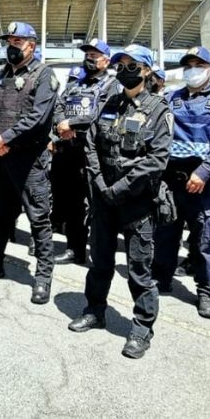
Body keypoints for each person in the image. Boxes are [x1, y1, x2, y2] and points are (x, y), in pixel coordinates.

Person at [68, 44, 172, 359]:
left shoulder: (158, 109)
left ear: (146, 71)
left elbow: (157, 160)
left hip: (136, 202)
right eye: (120, 63)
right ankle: (94, 310)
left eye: (131, 64)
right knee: (100, 262)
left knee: (139, 269)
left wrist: (121, 188)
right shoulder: (109, 102)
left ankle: (141, 329)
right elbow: (90, 145)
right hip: (103, 199)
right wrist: (100, 185)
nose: (123, 68)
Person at [0, 21, 59, 305]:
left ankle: (43, 278)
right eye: (8, 41)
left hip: (28, 160)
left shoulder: (44, 75)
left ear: (31, 46)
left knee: (38, 219)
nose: (11, 47)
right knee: (0, 214)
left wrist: (4, 138)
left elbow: (39, 117)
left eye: (17, 42)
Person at [151, 45, 210, 320]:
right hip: (172, 180)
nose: (193, 70)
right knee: (165, 232)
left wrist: (203, 173)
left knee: (206, 240)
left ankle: (208, 291)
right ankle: (161, 279)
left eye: (199, 65)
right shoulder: (170, 98)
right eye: (189, 65)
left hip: (204, 183)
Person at [50, 38, 119, 265]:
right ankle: (75, 249)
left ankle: (100, 252)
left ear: (106, 60)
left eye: (95, 55)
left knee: (98, 205)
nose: (89, 59)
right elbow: (58, 107)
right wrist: (62, 125)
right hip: (69, 151)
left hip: (94, 154)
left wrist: (72, 124)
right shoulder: (75, 84)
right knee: (72, 204)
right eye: (87, 55)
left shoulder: (112, 85)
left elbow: (101, 113)